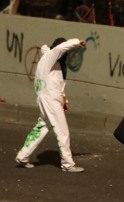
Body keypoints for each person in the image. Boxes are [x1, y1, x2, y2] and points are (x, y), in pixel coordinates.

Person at [15, 37, 87, 173]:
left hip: (46, 97)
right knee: (62, 131)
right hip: (50, 99)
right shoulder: (51, 56)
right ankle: (67, 164)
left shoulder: (52, 61)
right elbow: (60, 48)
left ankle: (22, 156)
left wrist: (64, 99)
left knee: (42, 126)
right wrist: (77, 41)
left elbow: (57, 83)